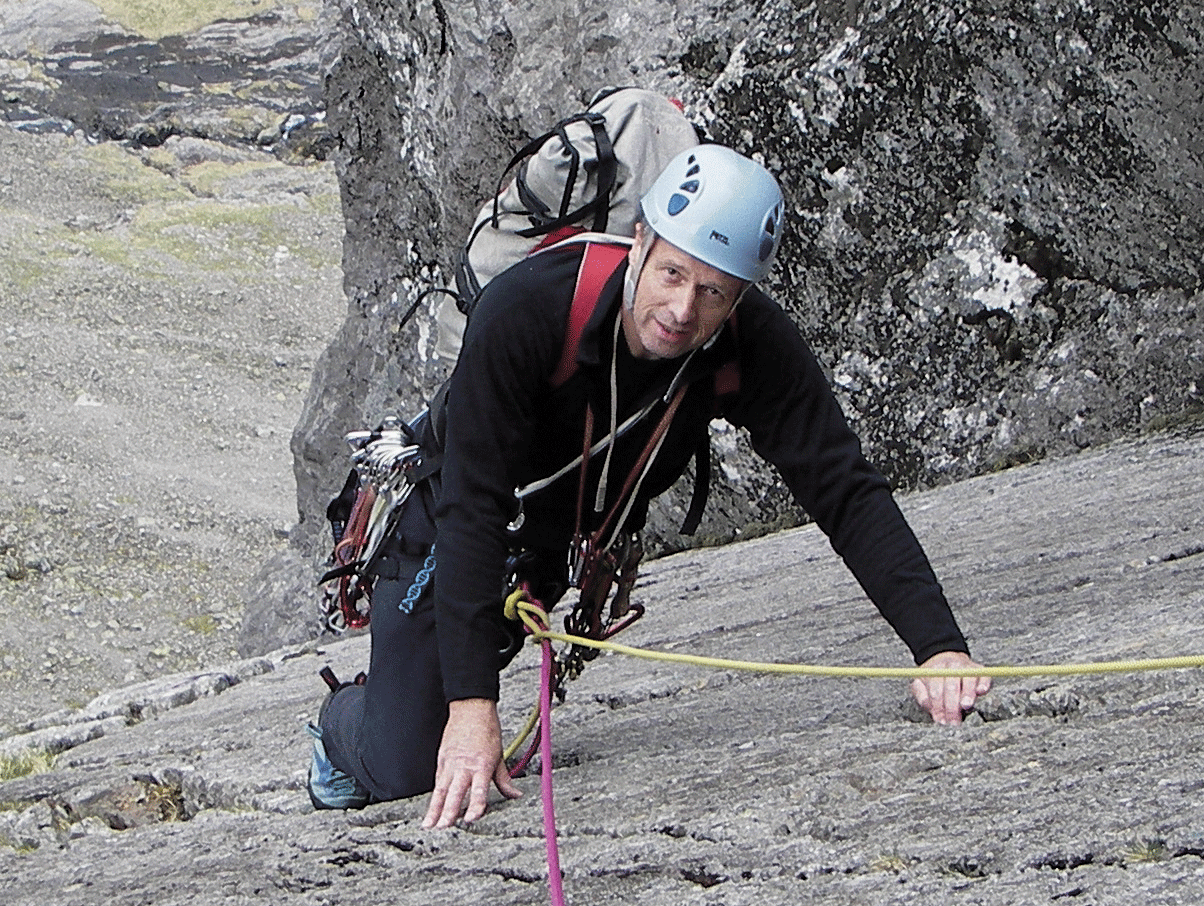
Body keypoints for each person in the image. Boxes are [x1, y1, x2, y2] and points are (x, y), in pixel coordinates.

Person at [306, 144, 991, 824]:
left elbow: (844, 489)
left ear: (739, 296)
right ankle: (339, 724)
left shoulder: (749, 346)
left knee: (446, 714)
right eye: (672, 272)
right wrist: (471, 707)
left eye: (713, 291)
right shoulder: (528, 309)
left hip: (542, 551)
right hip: (442, 522)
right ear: (640, 242)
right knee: (405, 765)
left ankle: (417, 691)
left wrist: (938, 647)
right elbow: (471, 508)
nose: (682, 309)